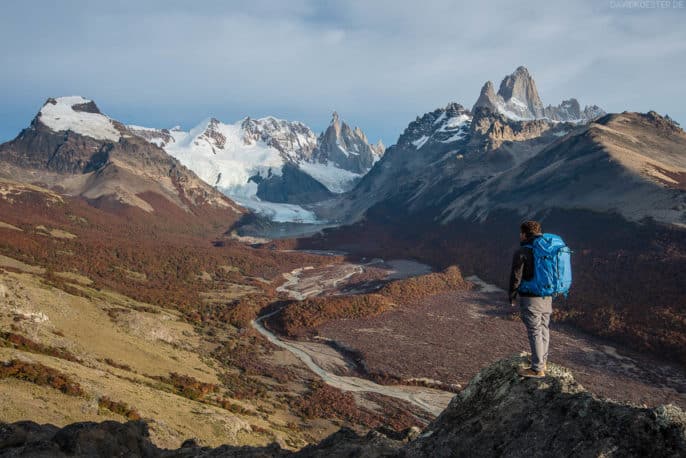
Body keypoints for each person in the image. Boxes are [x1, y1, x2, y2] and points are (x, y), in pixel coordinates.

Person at [509, 220, 552, 378]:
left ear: (524, 234)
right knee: (544, 328)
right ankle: (542, 361)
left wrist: (512, 295)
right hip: (547, 295)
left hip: (531, 297)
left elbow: (516, 276)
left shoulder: (523, 251)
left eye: (520, 233)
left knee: (534, 331)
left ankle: (537, 369)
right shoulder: (547, 248)